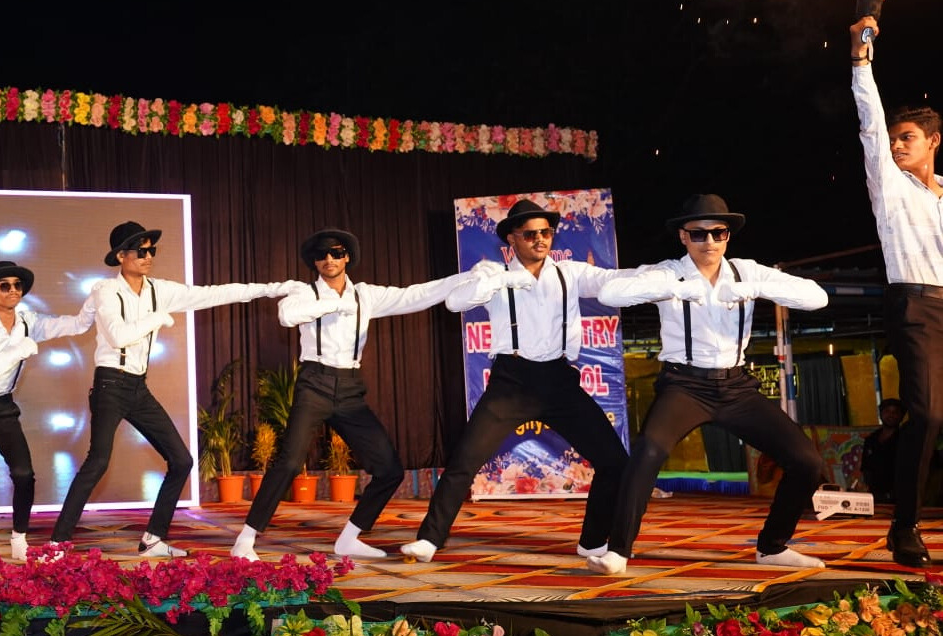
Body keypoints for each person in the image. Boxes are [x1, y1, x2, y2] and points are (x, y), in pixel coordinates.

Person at [399, 198, 662, 565]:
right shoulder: (492, 274)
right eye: (530, 234)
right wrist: (499, 279)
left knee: (615, 461)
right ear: (511, 239)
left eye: (546, 232)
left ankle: (591, 541)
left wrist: (661, 273)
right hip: (512, 381)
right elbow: (457, 302)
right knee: (464, 460)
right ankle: (430, 539)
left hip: (559, 380)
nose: (540, 239)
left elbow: (613, 279)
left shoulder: (570, 273)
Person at [587, 194, 828, 575]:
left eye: (719, 233)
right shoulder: (669, 271)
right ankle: (618, 551)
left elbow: (818, 297)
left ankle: (772, 546)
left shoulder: (746, 271)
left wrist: (756, 290)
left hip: (737, 388)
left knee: (807, 461)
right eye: (699, 234)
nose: (710, 242)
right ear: (683, 236)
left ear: (728, 235)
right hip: (684, 386)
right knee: (647, 452)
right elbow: (609, 294)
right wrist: (675, 290)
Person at [51, 221, 301, 557]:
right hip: (110, 383)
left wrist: (272, 288)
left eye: (151, 249)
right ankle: (57, 543)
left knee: (181, 460)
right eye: (140, 250)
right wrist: (159, 318)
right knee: (98, 461)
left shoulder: (159, 290)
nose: (148, 255)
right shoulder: (105, 291)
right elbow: (119, 336)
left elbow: (214, 293)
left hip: (138, 387)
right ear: (121, 256)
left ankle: (154, 537)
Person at [231, 228, 475, 561]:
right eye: (321, 254)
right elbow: (287, 316)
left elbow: (416, 295)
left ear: (347, 257)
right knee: (289, 461)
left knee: (390, 469)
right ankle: (245, 539)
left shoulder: (366, 295)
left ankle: (350, 537)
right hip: (314, 383)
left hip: (349, 389)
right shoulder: (305, 292)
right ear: (314, 261)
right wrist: (331, 302)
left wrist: (467, 276)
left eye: (335, 252)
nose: (328, 259)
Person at [852, 16, 943, 565]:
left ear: (934, 142)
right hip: (914, 306)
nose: (896, 145)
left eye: (907, 138)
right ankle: (904, 526)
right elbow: (868, 124)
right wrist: (862, 60)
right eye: (894, 139)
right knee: (928, 415)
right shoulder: (889, 185)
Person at [0, 262, 94, 561]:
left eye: (17, 285)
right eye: (5, 285)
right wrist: (19, 350)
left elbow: (77, 325)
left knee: (24, 475)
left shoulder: (29, 322)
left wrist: (96, 299)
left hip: (3, 408)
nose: (13, 290)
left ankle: (18, 539)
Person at [861, 397, 905, 504]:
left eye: (895, 412)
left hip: (898, 496)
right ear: (881, 414)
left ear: (901, 416)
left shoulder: (906, 439)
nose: (891, 415)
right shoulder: (871, 439)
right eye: (887, 411)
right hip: (874, 496)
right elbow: (866, 467)